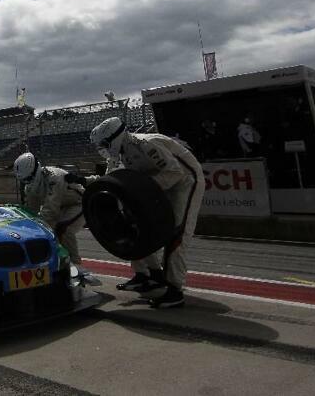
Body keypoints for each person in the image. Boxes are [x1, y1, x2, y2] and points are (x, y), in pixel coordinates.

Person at [90, 117, 205, 309]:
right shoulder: (121, 153)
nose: (102, 147)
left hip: (187, 181)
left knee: (176, 233)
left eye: (104, 143)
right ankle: (147, 275)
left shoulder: (146, 144)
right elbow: (111, 178)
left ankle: (174, 290)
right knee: (136, 226)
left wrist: (144, 190)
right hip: (161, 185)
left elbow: (175, 172)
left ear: (114, 137)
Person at [13, 152, 96, 283]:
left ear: (35, 171)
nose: (26, 183)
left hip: (80, 203)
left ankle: (77, 268)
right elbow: (31, 212)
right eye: (23, 181)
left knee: (63, 229)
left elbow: (50, 211)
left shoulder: (54, 178)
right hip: (62, 206)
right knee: (51, 231)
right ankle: (58, 266)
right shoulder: (29, 187)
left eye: (28, 179)